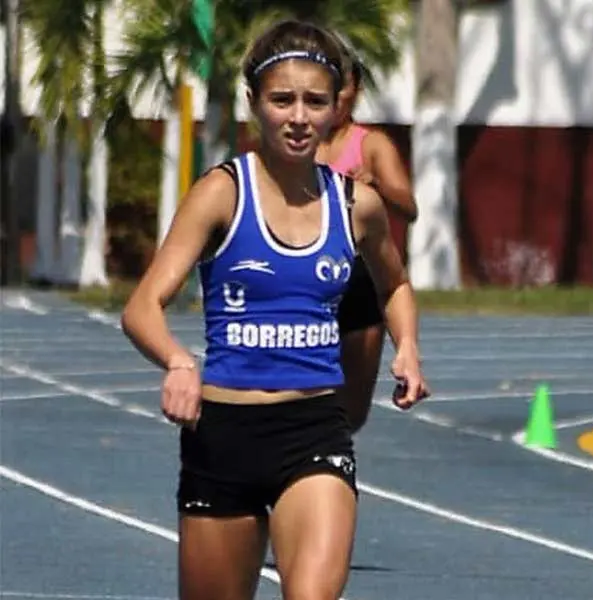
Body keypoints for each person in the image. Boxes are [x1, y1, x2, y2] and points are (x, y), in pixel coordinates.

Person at [120, 19, 429, 600]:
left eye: (315, 102)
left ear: (337, 108)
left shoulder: (356, 205)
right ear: (254, 103)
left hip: (314, 430)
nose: (299, 117)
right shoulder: (221, 193)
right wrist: (178, 362)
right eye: (282, 100)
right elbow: (142, 307)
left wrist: (407, 347)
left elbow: (394, 284)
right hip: (223, 435)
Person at [315, 48, 418, 433]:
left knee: (351, 414)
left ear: (355, 91)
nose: (333, 97)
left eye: (342, 88)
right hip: (309, 279)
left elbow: (409, 207)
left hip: (360, 279)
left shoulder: (371, 144)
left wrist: (376, 185)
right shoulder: (299, 143)